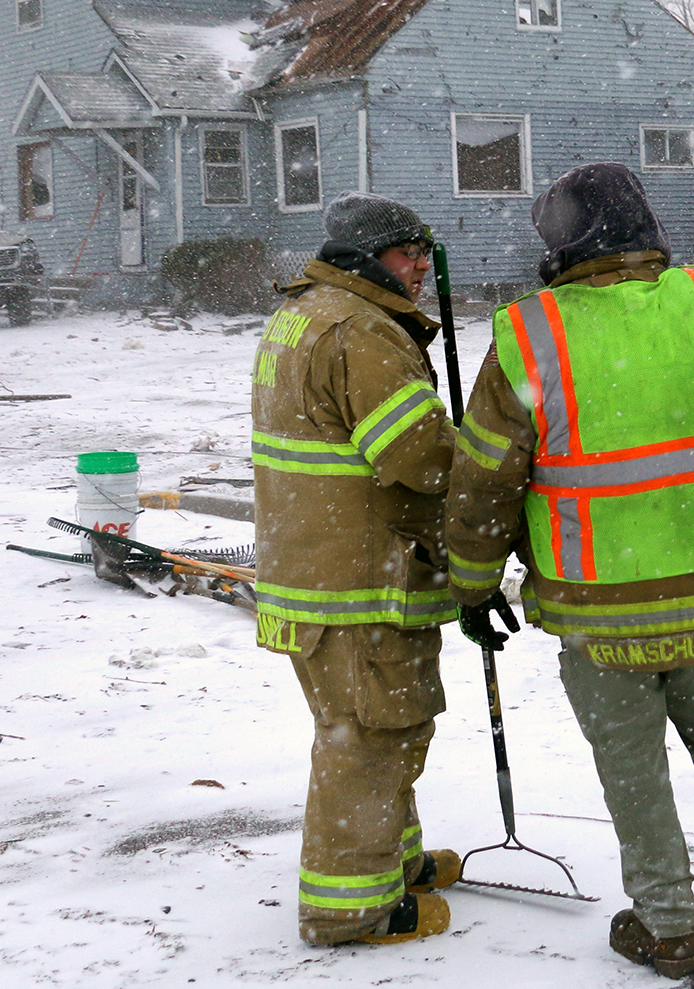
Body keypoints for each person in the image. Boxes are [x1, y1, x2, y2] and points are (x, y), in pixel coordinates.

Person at [443, 163, 694, 981]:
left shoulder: (530, 334)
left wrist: (472, 585)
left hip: (596, 608)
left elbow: (484, 480)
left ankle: (668, 927)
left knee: (632, 765)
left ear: (559, 243)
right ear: (646, 225)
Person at [251, 192, 462, 946]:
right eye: (407, 255)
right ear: (372, 255)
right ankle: (351, 910)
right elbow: (420, 455)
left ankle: (391, 863)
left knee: (383, 725)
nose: (417, 270)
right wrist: (485, 461)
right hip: (357, 579)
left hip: (316, 567)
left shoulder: (311, 310)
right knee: (370, 734)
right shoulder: (361, 331)